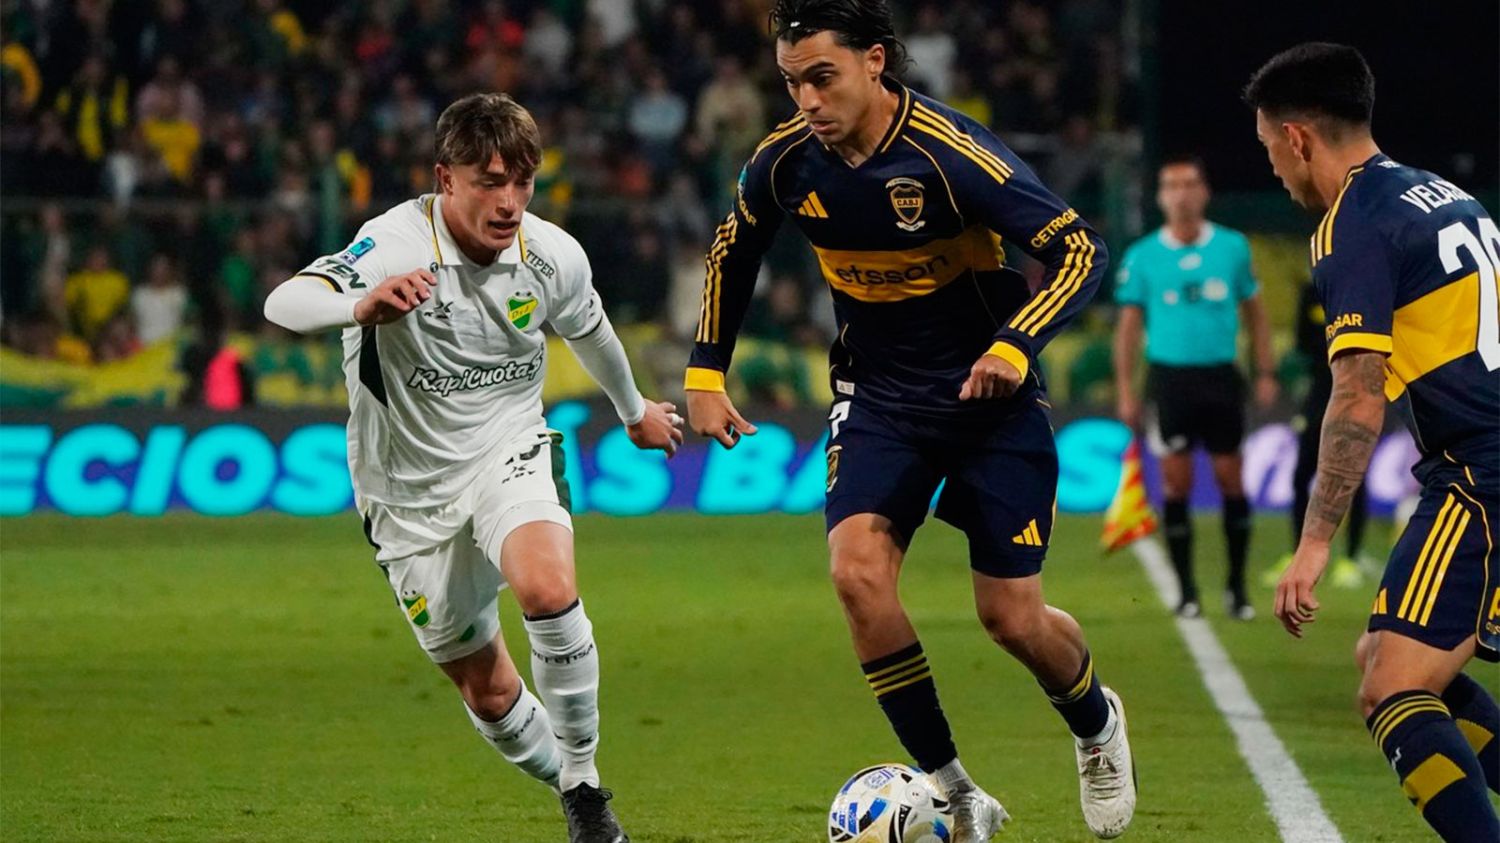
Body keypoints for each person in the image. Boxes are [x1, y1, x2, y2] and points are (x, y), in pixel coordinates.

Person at [684, 2, 1135, 840]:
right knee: (856, 575)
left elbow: (1080, 249)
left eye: (823, 78)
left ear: (875, 61)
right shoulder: (785, 161)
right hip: (879, 396)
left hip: (988, 403)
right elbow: (732, 250)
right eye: (792, 83)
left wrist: (1016, 342)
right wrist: (705, 372)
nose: (807, 101)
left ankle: (1096, 724)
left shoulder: (951, 154)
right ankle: (956, 792)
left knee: (1012, 618)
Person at [264, 92, 683, 843]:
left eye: (523, 181)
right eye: (490, 182)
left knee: (547, 588)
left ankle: (586, 789)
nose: (510, 202)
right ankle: (563, 777)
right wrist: (360, 306)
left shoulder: (552, 254)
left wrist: (632, 411)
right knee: (489, 693)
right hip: (406, 493)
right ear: (445, 179)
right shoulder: (394, 243)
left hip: (507, 450)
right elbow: (285, 303)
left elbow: (590, 328)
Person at [1248, 43, 1500, 842]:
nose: (1274, 170)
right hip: (1481, 463)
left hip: (1482, 473)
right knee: (1384, 655)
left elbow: (1357, 395)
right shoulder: (1446, 196)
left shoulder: (1351, 225)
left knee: (1392, 688)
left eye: (1269, 148)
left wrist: (1313, 543)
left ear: (1297, 138)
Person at [1112, 155, 1277, 620]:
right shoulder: (1143, 255)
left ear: (1204, 192)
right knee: (1176, 484)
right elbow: (1127, 329)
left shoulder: (1232, 247)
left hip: (1221, 377)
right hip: (1170, 380)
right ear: (1161, 197)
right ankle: (1186, 591)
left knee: (1231, 478)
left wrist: (1265, 371)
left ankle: (1237, 588)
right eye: (1171, 186)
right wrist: (1125, 389)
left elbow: (1256, 314)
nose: (1181, 194)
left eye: (1189, 184)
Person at [1265, 277, 1369, 589]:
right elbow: (1301, 343)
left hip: (1355, 393)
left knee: (1354, 476)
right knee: (1302, 475)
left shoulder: (1364, 287)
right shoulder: (1312, 292)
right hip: (1319, 393)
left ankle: (1350, 559)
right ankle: (1297, 552)